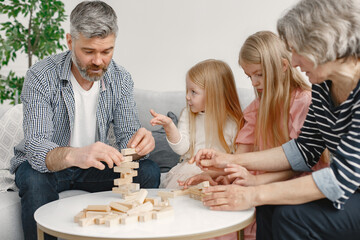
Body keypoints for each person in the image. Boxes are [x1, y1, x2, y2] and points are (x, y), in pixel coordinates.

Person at [190, 0, 360, 239]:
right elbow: (304, 150)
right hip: (349, 190)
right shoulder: (322, 87)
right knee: (271, 205)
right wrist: (230, 159)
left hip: (351, 187)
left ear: (323, 43)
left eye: (297, 50)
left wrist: (254, 193)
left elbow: (342, 177)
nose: (295, 61)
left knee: (289, 215)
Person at [10, 1, 160, 239]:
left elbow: (127, 140)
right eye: (89, 51)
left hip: (93, 169)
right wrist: (76, 155)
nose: (99, 61)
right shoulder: (40, 76)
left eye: (106, 51)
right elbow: (37, 148)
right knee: (33, 177)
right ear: (70, 42)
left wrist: (140, 146)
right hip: (50, 169)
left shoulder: (120, 78)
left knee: (148, 171)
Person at [183, 31, 328, 240]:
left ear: (283, 67)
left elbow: (299, 163)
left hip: (295, 183)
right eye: (249, 76)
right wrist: (217, 173)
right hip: (259, 183)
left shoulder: (305, 103)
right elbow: (241, 159)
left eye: (259, 74)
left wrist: (253, 181)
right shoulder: (255, 109)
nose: (253, 82)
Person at [150, 59, 244, 189]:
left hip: (219, 172)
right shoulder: (188, 115)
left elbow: (238, 158)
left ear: (213, 94)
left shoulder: (233, 122)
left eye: (193, 92)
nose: (187, 96)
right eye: (187, 91)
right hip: (190, 169)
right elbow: (181, 148)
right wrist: (170, 126)